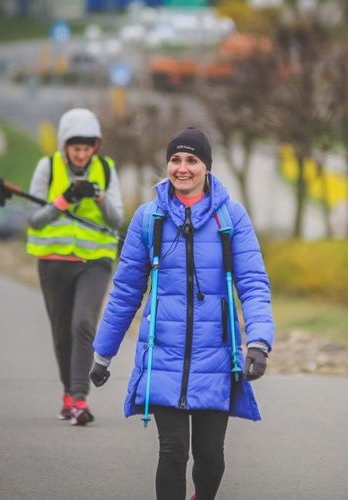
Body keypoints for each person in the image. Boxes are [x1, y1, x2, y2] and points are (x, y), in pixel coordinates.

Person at [90, 127, 274, 500]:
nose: (182, 167)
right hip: (163, 357)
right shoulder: (148, 219)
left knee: (210, 459)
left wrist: (258, 342)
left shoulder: (231, 218)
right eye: (175, 159)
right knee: (172, 452)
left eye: (192, 160)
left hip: (216, 358)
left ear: (207, 167)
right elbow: (125, 292)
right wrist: (102, 354)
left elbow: (253, 283)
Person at [26, 108, 124, 426]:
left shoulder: (106, 169)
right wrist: (65, 199)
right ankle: (68, 394)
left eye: (87, 149)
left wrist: (99, 199)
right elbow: (34, 219)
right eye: (75, 148)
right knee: (62, 331)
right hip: (54, 263)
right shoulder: (48, 167)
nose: (81, 155)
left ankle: (81, 399)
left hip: (95, 263)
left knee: (83, 323)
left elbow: (117, 219)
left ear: (94, 147)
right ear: (64, 146)